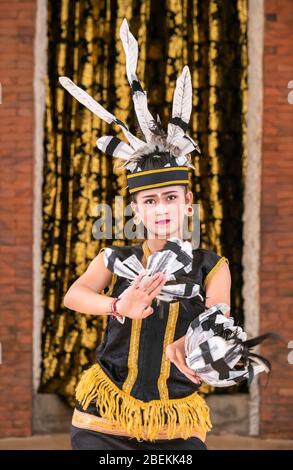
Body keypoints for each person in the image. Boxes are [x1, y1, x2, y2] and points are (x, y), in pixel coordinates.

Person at [61, 18, 231, 450]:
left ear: (187, 202)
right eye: (150, 201)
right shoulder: (114, 258)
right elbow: (74, 296)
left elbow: (220, 320)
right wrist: (121, 304)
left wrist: (196, 347)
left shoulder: (213, 266)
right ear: (136, 209)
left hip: (176, 418)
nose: (161, 209)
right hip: (105, 414)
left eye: (170, 198)